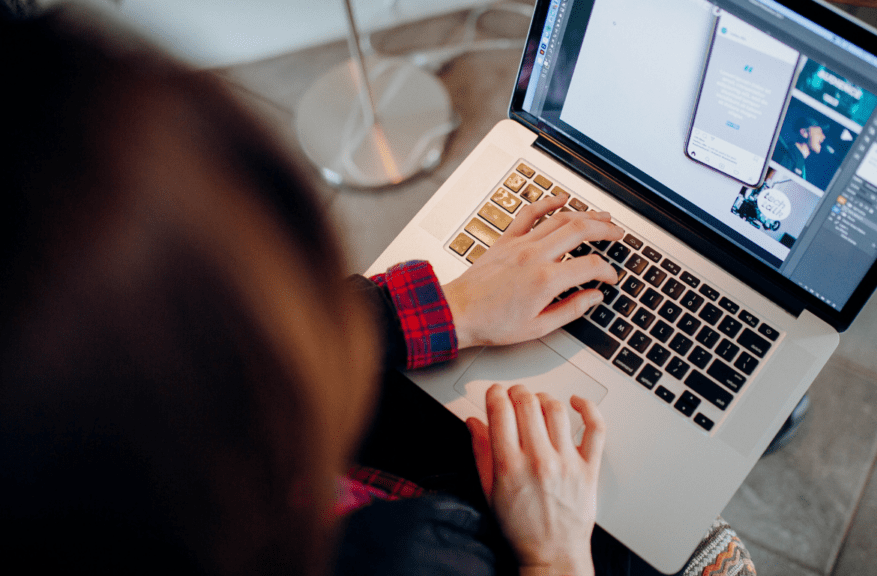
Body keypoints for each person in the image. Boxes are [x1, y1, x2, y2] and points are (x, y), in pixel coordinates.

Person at [0, 5, 755, 576]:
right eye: (276, 292)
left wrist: (454, 307)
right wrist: (556, 553)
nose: (320, 303)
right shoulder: (411, 557)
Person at [771, 116, 828, 184]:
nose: (823, 137)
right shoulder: (788, 155)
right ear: (804, 133)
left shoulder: (799, 159)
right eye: (819, 133)